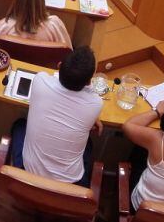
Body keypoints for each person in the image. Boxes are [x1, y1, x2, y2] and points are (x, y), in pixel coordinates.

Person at [9, 46, 104, 186]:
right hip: (69, 185)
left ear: (59, 66)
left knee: (20, 125)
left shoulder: (40, 80)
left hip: (30, 173)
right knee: (88, 143)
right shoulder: (95, 104)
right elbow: (91, 98)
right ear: (89, 82)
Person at [0, 0, 72, 47]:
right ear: (42, 3)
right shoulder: (55, 25)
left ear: (16, 2)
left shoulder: (3, 26)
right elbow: (67, 50)